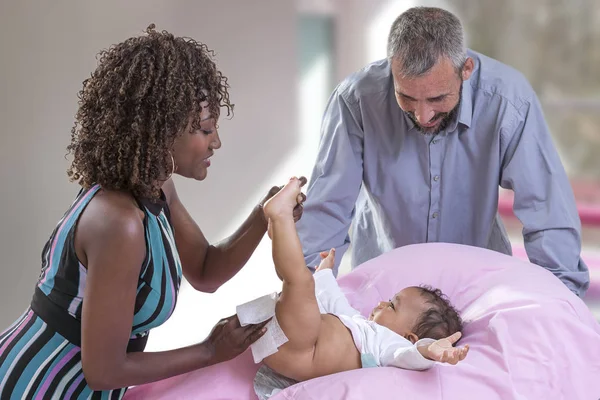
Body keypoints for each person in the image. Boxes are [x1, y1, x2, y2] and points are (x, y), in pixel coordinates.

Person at [0, 24, 303, 399]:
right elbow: (104, 369)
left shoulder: (155, 188)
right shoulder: (119, 223)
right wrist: (210, 351)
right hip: (38, 383)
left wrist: (263, 214)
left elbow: (206, 270)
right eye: (206, 130)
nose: (217, 142)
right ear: (161, 131)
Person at [296, 6, 589, 297]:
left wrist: (562, 301)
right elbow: (328, 209)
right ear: (391, 68)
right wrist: (308, 295)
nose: (422, 115)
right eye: (406, 97)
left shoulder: (508, 101)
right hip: (384, 290)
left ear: (466, 70)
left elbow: (547, 210)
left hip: (479, 286)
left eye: (437, 98)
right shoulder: (356, 100)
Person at [253, 177, 468, 399]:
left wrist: (430, 350)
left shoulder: (389, 347)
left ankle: (281, 220)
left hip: (305, 347)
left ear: (410, 337)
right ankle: (280, 230)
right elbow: (337, 304)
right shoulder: (361, 327)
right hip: (294, 341)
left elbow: (410, 355)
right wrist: (325, 274)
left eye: (393, 306)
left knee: (299, 283)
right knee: (302, 285)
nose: (382, 303)